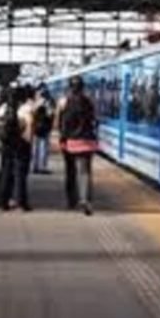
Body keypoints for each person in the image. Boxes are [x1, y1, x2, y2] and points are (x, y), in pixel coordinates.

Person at [58, 76, 98, 215]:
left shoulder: (65, 102)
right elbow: (94, 121)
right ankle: (85, 199)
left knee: (70, 171)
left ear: (70, 88)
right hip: (87, 141)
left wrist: (62, 139)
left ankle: (71, 200)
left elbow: (63, 123)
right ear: (83, 87)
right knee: (85, 172)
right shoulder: (89, 102)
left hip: (70, 142)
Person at [0, 86, 34, 211]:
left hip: (7, 143)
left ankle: (3, 201)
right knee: (20, 173)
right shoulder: (25, 108)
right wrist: (28, 140)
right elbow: (30, 125)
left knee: (6, 171)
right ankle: (21, 202)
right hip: (21, 143)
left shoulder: (4, 108)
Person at [32, 84, 54, 174]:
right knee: (43, 147)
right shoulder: (48, 102)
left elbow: (32, 112)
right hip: (44, 127)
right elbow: (50, 114)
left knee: (35, 147)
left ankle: (35, 166)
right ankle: (42, 167)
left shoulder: (35, 102)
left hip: (36, 126)